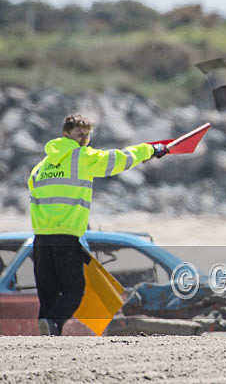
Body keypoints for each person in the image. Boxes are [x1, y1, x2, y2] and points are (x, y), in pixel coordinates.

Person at [28, 113, 168, 336]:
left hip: (41, 238)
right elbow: (118, 159)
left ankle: (50, 331)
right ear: (66, 134)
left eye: (87, 135)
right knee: (74, 290)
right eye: (79, 134)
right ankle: (53, 323)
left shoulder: (41, 166)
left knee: (48, 293)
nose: (84, 139)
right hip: (66, 236)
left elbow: (34, 199)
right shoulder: (81, 157)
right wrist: (149, 150)